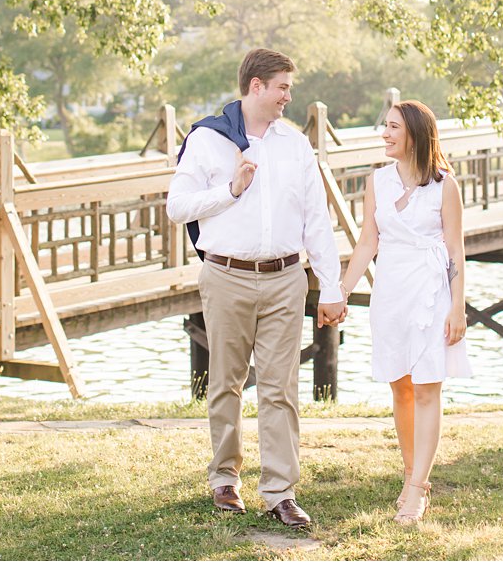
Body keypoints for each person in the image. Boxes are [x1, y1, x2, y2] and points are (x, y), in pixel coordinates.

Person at [165, 48, 345, 529]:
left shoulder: (296, 145)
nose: (289, 96)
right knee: (226, 382)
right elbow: (176, 207)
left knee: (281, 388)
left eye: (290, 87)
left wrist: (331, 286)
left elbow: (316, 221)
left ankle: (280, 491)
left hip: (286, 279)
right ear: (257, 86)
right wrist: (231, 190)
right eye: (283, 87)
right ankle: (224, 479)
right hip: (226, 276)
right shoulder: (207, 139)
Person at [339, 99, 469, 524]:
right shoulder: (377, 181)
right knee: (402, 387)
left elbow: (455, 251)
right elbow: (366, 244)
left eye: (393, 127)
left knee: (429, 386)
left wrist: (458, 307)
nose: (385, 134)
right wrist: (340, 291)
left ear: (414, 132)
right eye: (385, 127)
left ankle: (418, 488)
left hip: (431, 293)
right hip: (391, 292)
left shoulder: (445, 185)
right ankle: (411, 471)